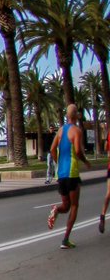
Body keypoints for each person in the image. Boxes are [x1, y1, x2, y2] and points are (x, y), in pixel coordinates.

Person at [46, 103, 92, 249]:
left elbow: (52, 149)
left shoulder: (60, 131)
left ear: (67, 115)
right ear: (77, 115)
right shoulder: (76, 131)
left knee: (65, 206)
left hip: (62, 174)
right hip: (72, 174)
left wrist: (57, 162)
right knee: (74, 206)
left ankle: (56, 210)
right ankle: (65, 239)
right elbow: (78, 151)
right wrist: (85, 161)